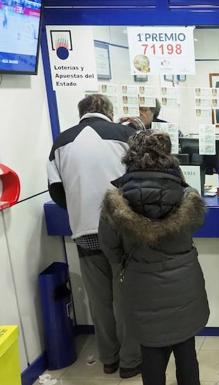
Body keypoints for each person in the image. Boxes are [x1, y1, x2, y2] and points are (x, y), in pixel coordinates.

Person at [99, 130, 209, 385]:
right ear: (168, 155)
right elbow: (197, 224)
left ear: (130, 156)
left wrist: (128, 264)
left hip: (141, 286)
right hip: (184, 284)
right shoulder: (187, 194)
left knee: (151, 354)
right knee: (186, 353)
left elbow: (109, 245)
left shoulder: (116, 200)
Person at [47, 94, 141, 378]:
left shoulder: (61, 141)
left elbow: (56, 190)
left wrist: (79, 207)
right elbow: (141, 178)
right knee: (125, 296)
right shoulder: (125, 134)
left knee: (99, 300)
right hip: (122, 230)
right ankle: (130, 360)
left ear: (81, 113)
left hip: (85, 231)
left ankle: (109, 359)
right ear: (109, 113)